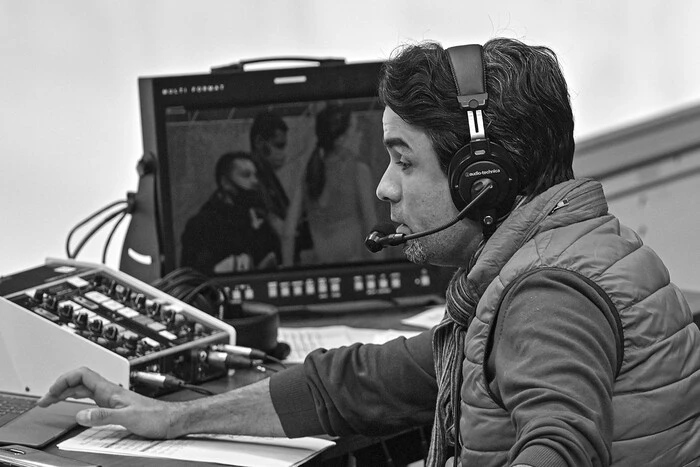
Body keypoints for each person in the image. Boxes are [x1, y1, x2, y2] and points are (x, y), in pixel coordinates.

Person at [38, 38, 700, 467]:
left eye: (403, 161)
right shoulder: (545, 262)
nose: (384, 187)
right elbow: (355, 383)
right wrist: (175, 419)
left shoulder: (546, 296)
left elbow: (561, 445)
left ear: (481, 181)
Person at [180, 151, 280, 274]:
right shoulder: (202, 226)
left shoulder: (260, 220)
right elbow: (194, 276)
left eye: (255, 175)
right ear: (226, 183)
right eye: (246, 175)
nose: (255, 181)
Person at [304, 104, 381, 262]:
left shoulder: (309, 173)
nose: (360, 134)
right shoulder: (358, 171)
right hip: (352, 268)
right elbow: (372, 226)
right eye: (355, 129)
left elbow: (288, 233)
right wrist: (383, 269)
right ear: (340, 139)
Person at [249, 111, 312, 266]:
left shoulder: (268, 175)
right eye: (278, 145)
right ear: (259, 142)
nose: (282, 153)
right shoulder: (251, 177)